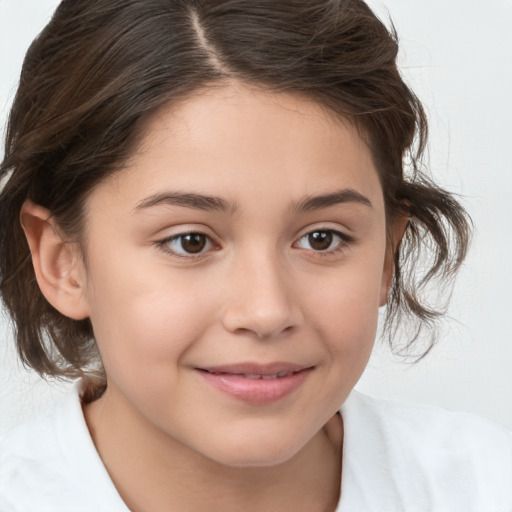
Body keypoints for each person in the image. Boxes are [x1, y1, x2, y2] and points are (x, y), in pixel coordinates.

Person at [0, 0, 510, 510]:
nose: (266, 312)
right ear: (62, 260)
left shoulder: (486, 485)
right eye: (190, 241)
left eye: (322, 238)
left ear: (385, 256)